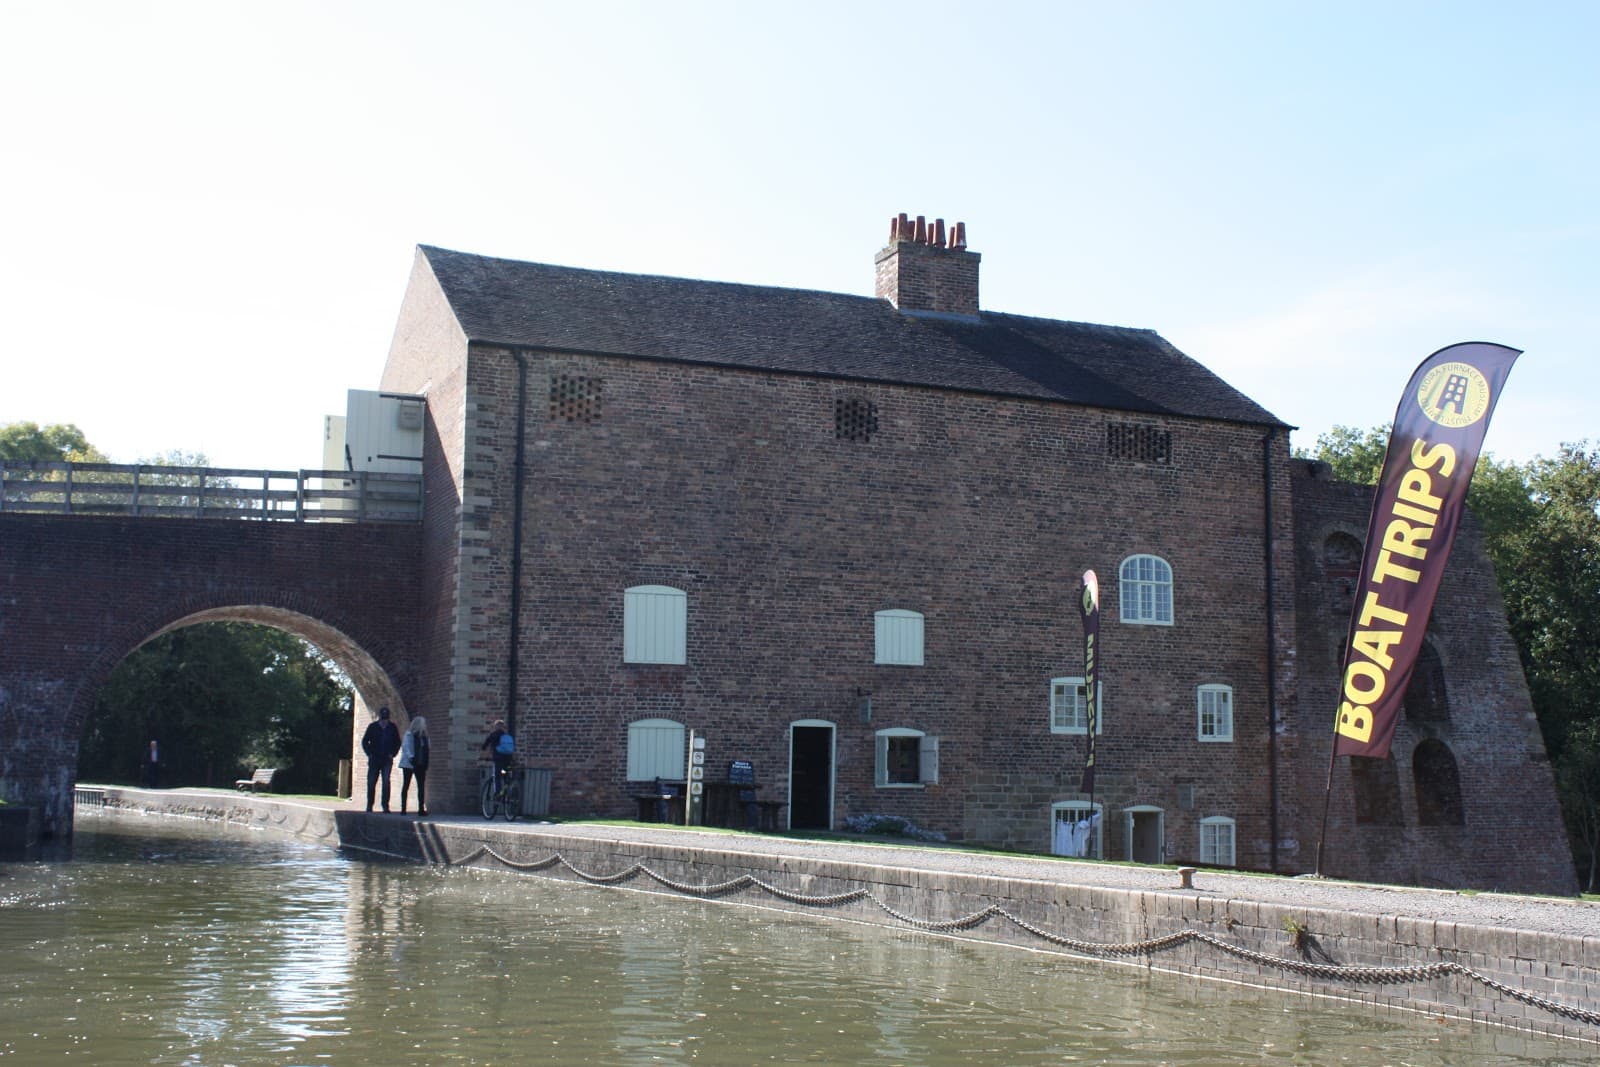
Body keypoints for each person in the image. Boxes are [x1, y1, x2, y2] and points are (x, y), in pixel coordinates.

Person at [361, 706, 402, 813]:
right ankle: (369, 805)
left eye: (386, 719)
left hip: (386, 759)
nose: (385, 722)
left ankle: (385, 805)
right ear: (380, 717)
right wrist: (369, 754)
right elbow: (365, 741)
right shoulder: (373, 727)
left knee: (386, 782)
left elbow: (397, 742)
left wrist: (393, 754)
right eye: (383, 719)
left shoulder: (392, 727)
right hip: (374, 758)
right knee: (371, 782)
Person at [398, 715, 430, 816]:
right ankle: (403, 808)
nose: (425, 726)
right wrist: (411, 757)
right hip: (409, 763)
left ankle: (421, 808)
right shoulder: (409, 735)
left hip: (420, 764)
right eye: (423, 724)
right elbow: (406, 747)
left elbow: (427, 748)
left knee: (421, 786)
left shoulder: (424, 737)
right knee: (406, 784)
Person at [480, 718, 514, 798]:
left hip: (499, 760)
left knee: (497, 776)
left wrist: (483, 754)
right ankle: (507, 790)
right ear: (503, 727)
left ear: (496, 726)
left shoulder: (493, 735)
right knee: (504, 773)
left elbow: (485, 745)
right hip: (508, 759)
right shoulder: (507, 736)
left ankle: (498, 793)